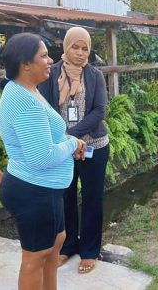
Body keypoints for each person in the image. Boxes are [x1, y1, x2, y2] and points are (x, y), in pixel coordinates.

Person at [0, 33, 86, 290]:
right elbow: (41, 156)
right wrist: (72, 144)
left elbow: (46, 137)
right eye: (44, 56)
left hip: (46, 189)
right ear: (25, 64)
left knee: (56, 243)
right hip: (33, 189)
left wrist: (69, 141)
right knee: (35, 257)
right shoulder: (25, 102)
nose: (50, 60)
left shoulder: (28, 90)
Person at [39, 27, 109, 274]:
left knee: (92, 198)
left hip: (94, 147)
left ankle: (89, 250)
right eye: (75, 47)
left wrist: (73, 136)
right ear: (66, 48)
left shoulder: (95, 75)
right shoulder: (51, 74)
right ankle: (67, 246)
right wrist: (66, 141)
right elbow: (46, 109)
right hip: (62, 148)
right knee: (65, 197)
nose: (80, 53)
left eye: (85, 48)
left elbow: (100, 110)